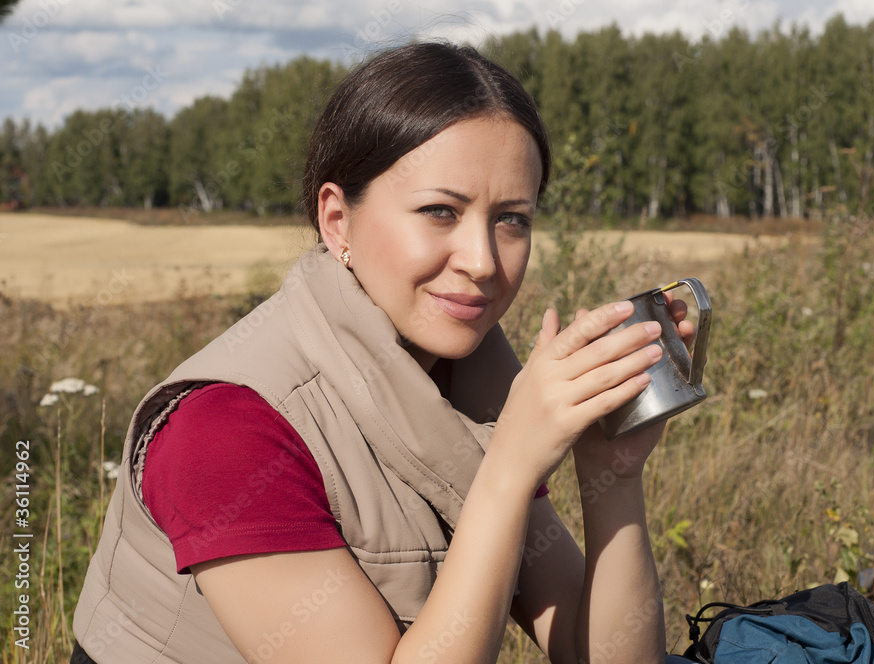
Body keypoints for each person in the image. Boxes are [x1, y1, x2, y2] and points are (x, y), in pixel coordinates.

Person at [71, 41, 695, 664]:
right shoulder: (227, 429)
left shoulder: (473, 383)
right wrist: (510, 464)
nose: (482, 262)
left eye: (512, 219)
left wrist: (610, 470)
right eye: (439, 211)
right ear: (337, 221)